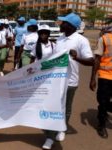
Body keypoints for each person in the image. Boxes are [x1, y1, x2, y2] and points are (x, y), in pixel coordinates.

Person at [42, 13, 94, 149]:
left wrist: (76, 58)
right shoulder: (60, 38)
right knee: (54, 106)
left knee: (66, 107)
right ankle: (54, 131)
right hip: (55, 80)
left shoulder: (81, 40)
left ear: (70, 26)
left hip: (70, 81)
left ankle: (54, 135)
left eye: (63, 22)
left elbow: (91, 61)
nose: (60, 24)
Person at [89, 26, 112, 138]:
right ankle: (101, 125)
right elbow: (97, 59)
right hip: (105, 76)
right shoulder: (104, 38)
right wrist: (92, 78)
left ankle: (104, 108)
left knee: (104, 103)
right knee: (103, 101)